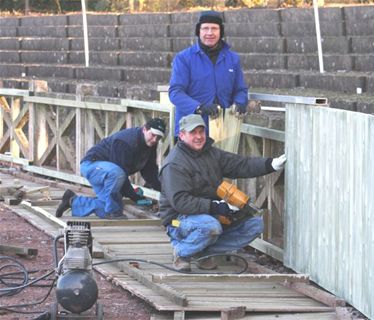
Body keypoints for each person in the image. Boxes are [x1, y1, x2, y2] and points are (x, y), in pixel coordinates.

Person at [158, 114, 286, 271]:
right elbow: (181, 202)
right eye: (193, 133)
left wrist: (271, 164)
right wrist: (217, 206)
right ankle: (181, 252)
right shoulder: (174, 164)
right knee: (210, 226)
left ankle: (201, 253)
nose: (199, 137)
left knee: (254, 225)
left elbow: (240, 164)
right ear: (182, 135)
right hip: (177, 221)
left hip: (209, 214)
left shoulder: (211, 154)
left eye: (201, 132)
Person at [55, 118, 166, 220]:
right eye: (152, 135)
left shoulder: (150, 145)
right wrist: (136, 197)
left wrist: (165, 191)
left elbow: (150, 172)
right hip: (92, 166)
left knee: (106, 208)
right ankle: (113, 212)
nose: (155, 140)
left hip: (109, 174)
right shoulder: (125, 142)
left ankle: (72, 201)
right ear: (144, 129)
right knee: (117, 176)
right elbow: (121, 173)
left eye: (159, 138)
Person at [169, 10, 248, 138]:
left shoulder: (233, 59)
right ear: (198, 31)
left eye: (214, 28)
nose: (209, 33)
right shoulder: (184, 58)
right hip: (191, 130)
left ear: (220, 32)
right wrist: (199, 107)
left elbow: (240, 89)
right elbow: (175, 92)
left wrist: (239, 102)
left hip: (223, 129)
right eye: (205, 28)